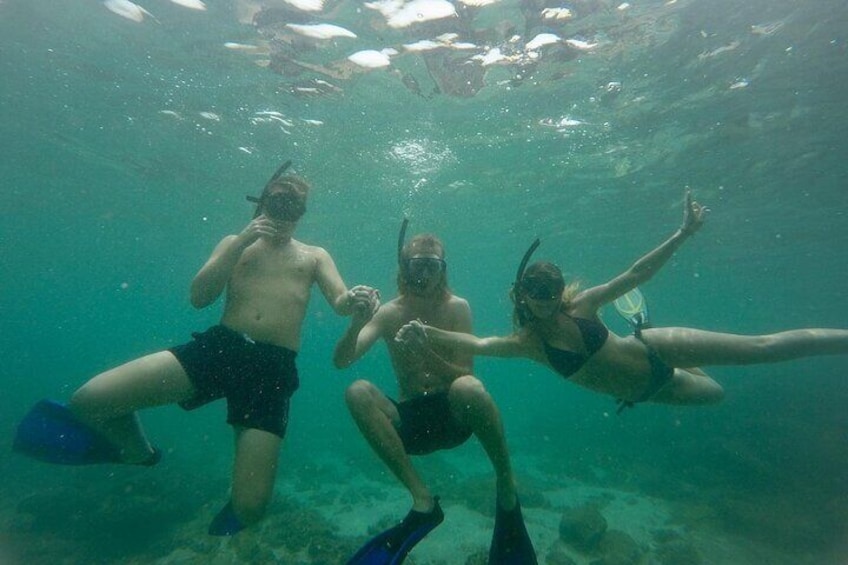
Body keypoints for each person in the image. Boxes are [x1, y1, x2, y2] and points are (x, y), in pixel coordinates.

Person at [13, 164, 379, 536]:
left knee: (251, 509)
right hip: (221, 348)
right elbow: (199, 297)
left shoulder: (315, 256)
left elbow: (340, 301)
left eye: (293, 209)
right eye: (277, 205)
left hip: (272, 370)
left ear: (301, 215)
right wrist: (239, 242)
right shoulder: (234, 243)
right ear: (261, 204)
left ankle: (238, 500)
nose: (283, 216)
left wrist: (358, 300)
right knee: (89, 400)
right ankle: (141, 454)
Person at [397, 190, 848, 411]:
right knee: (717, 394)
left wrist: (682, 233)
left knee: (761, 350)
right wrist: (427, 332)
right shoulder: (528, 343)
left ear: (561, 291)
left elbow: (636, 272)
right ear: (522, 296)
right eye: (536, 294)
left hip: (655, 348)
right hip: (652, 390)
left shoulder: (584, 306)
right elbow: (477, 346)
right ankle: (657, 335)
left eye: (552, 291)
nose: (546, 301)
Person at [335, 222, 536, 564]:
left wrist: (426, 350)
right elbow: (342, 361)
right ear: (404, 267)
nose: (425, 273)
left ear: (443, 270)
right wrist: (356, 322)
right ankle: (422, 501)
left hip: (455, 417)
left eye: (433, 265)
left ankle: (506, 487)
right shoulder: (390, 313)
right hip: (411, 422)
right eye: (418, 265)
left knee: (468, 386)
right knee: (357, 391)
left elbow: (466, 377)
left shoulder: (457, 307)